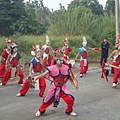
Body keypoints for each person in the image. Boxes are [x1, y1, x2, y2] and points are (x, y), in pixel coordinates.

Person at [34, 51, 78, 117]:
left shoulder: (65, 68)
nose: (61, 62)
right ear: (56, 59)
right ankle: (40, 110)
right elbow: (43, 74)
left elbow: (70, 77)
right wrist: (36, 78)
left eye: (62, 60)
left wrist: (74, 84)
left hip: (62, 87)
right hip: (54, 87)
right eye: (60, 60)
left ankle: (69, 111)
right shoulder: (52, 68)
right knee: (47, 100)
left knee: (70, 99)